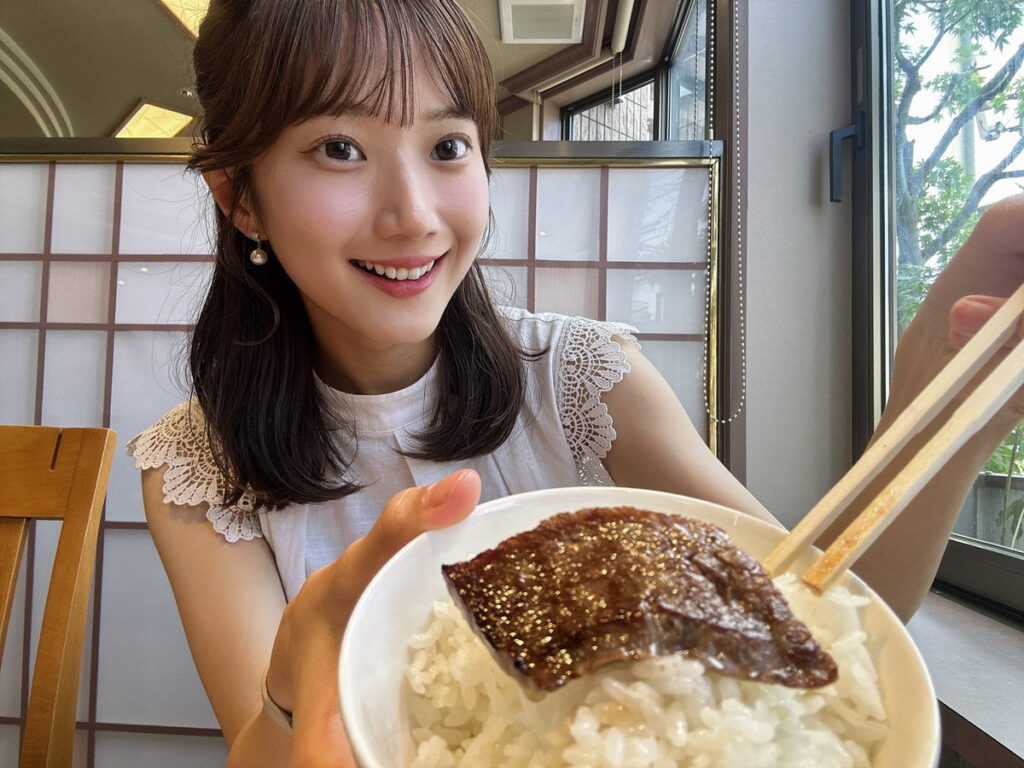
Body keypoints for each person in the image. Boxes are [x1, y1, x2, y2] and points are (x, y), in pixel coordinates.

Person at [129, 0, 1024, 765]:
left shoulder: (587, 379)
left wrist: (939, 403)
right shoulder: (194, 469)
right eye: (338, 148)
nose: (413, 216)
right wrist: (288, 689)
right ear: (241, 198)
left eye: (447, 145)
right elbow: (261, 746)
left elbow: (822, 616)